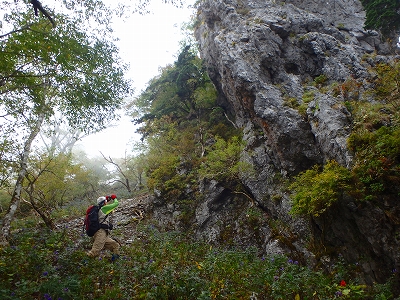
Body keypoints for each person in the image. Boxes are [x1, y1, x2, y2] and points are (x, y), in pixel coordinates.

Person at [87, 194, 120, 260]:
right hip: (100, 233)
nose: (107, 203)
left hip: (103, 233)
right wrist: (114, 198)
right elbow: (116, 203)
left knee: (115, 245)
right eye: (106, 202)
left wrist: (107, 198)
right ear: (104, 203)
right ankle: (82, 265)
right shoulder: (104, 208)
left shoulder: (100, 209)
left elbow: (103, 202)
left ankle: (114, 262)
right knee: (94, 252)